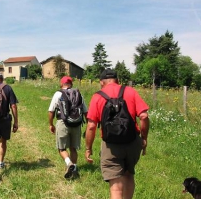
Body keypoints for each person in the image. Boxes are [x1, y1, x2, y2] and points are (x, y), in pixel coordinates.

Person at [85, 69, 149, 199]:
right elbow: (144, 116)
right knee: (129, 175)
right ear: (117, 80)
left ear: (101, 82)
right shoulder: (130, 91)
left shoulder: (97, 96)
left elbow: (91, 126)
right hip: (132, 141)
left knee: (116, 187)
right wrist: (144, 138)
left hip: (111, 145)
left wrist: (88, 148)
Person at [48, 76, 88, 179]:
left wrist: (51, 124)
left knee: (62, 148)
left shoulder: (58, 94)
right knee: (73, 148)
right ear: (71, 84)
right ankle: (74, 169)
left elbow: (51, 111)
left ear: (61, 84)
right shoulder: (79, 94)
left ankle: (69, 163)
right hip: (77, 124)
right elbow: (85, 112)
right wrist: (88, 126)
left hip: (63, 123)